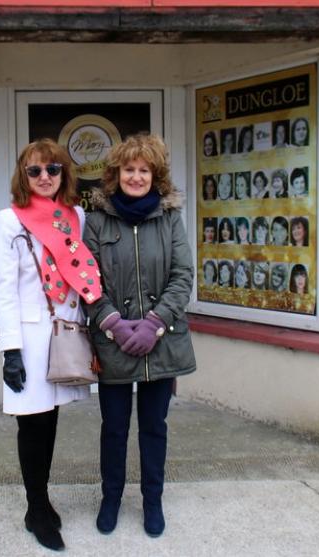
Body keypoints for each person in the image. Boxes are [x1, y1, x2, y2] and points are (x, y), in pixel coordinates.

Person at [0, 138, 101, 551]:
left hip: (64, 332)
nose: (44, 177)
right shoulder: (9, 220)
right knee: (32, 423)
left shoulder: (76, 216)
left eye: (52, 169)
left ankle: (41, 499)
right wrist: (10, 350)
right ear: (23, 175)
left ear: (63, 174)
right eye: (34, 170)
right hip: (29, 337)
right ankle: (36, 508)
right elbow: (4, 290)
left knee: (50, 419)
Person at [83, 133, 195, 540]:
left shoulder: (170, 218)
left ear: (155, 175)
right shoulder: (97, 220)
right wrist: (113, 323)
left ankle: (152, 502)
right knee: (114, 428)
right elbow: (87, 281)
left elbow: (183, 276)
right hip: (112, 342)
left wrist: (154, 323)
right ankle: (110, 499)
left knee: (153, 427)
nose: (136, 176)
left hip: (161, 343)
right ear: (116, 174)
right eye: (129, 169)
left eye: (144, 170)